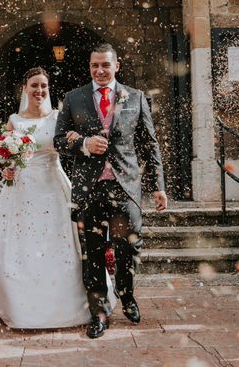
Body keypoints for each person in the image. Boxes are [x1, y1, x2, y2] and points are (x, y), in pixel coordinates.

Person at [0, 67, 115, 329]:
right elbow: (4, 158)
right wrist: (7, 168)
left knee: (61, 244)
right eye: (34, 85)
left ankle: (68, 303)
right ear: (25, 88)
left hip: (53, 186)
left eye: (43, 86)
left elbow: (71, 144)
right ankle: (23, 304)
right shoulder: (14, 120)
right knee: (21, 246)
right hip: (21, 191)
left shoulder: (58, 117)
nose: (39, 91)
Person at [54, 44, 167, 339]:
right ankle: (99, 312)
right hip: (88, 188)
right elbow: (57, 140)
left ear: (117, 65)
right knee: (92, 252)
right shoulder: (73, 98)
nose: (100, 71)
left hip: (125, 185)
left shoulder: (136, 97)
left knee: (127, 246)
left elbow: (149, 143)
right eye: (95, 66)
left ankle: (126, 294)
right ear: (89, 67)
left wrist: (158, 186)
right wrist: (83, 144)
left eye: (105, 65)